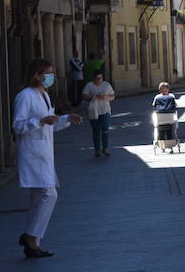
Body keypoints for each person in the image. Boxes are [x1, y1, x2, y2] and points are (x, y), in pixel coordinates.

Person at [12, 57, 81, 257]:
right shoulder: (25, 96)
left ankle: (33, 243)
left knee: (37, 198)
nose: (51, 76)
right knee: (49, 194)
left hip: (44, 153)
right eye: (47, 73)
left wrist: (66, 119)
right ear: (37, 74)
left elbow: (49, 126)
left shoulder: (45, 95)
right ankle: (30, 236)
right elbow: (18, 125)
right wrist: (40, 121)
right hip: (32, 154)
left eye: (52, 72)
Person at [82, 70, 116, 157]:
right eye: (96, 79)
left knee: (105, 128)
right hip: (94, 111)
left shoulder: (106, 85)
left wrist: (106, 97)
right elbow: (84, 95)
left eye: (100, 78)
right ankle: (97, 150)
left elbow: (112, 96)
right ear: (93, 78)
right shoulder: (89, 85)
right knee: (96, 131)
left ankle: (105, 148)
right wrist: (94, 96)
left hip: (105, 111)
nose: (98, 80)